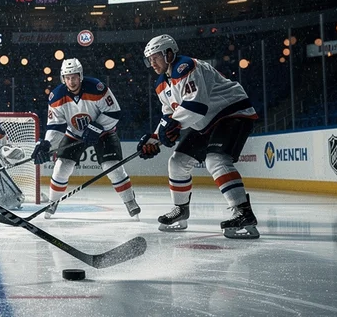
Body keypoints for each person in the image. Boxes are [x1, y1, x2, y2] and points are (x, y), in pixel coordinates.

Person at [138, 35, 259, 239]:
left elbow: (196, 106)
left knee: (216, 160)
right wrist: (154, 139)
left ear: (169, 54)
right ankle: (181, 209)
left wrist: (170, 128)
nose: (152, 63)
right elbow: (169, 115)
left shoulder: (186, 66)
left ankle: (244, 213)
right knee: (177, 162)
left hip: (231, 113)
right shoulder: (161, 84)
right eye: (149, 59)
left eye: (155, 57)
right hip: (205, 122)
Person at [32, 58, 140, 219]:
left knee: (112, 167)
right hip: (74, 134)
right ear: (63, 78)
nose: (71, 81)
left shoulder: (96, 88)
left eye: (74, 77)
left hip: (104, 133)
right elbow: (56, 125)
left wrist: (96, 127)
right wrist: (47, 144)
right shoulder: (56, 96)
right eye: (67, 77)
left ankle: (130, 201)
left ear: (80, 76)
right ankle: (52, 203)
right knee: (61, 167)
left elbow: (114, 112)